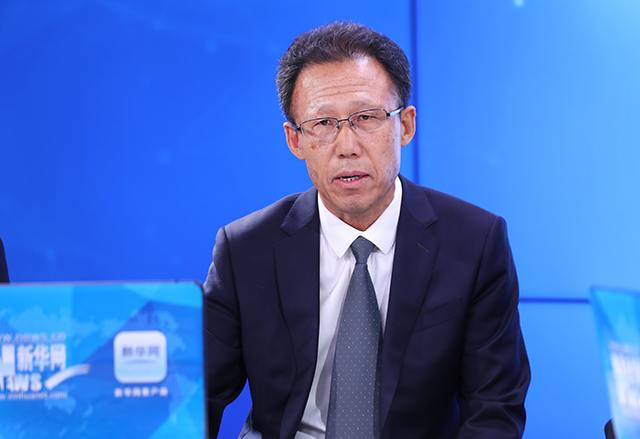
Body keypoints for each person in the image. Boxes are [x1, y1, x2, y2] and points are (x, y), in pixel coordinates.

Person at [203, 21, 530, 439]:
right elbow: (194, 401)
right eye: (323, 123)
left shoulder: (475, 243)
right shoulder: (245, 250)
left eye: (366, 118)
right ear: (295, 140)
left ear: (405, 125)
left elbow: (494, 410)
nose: (347, 146)